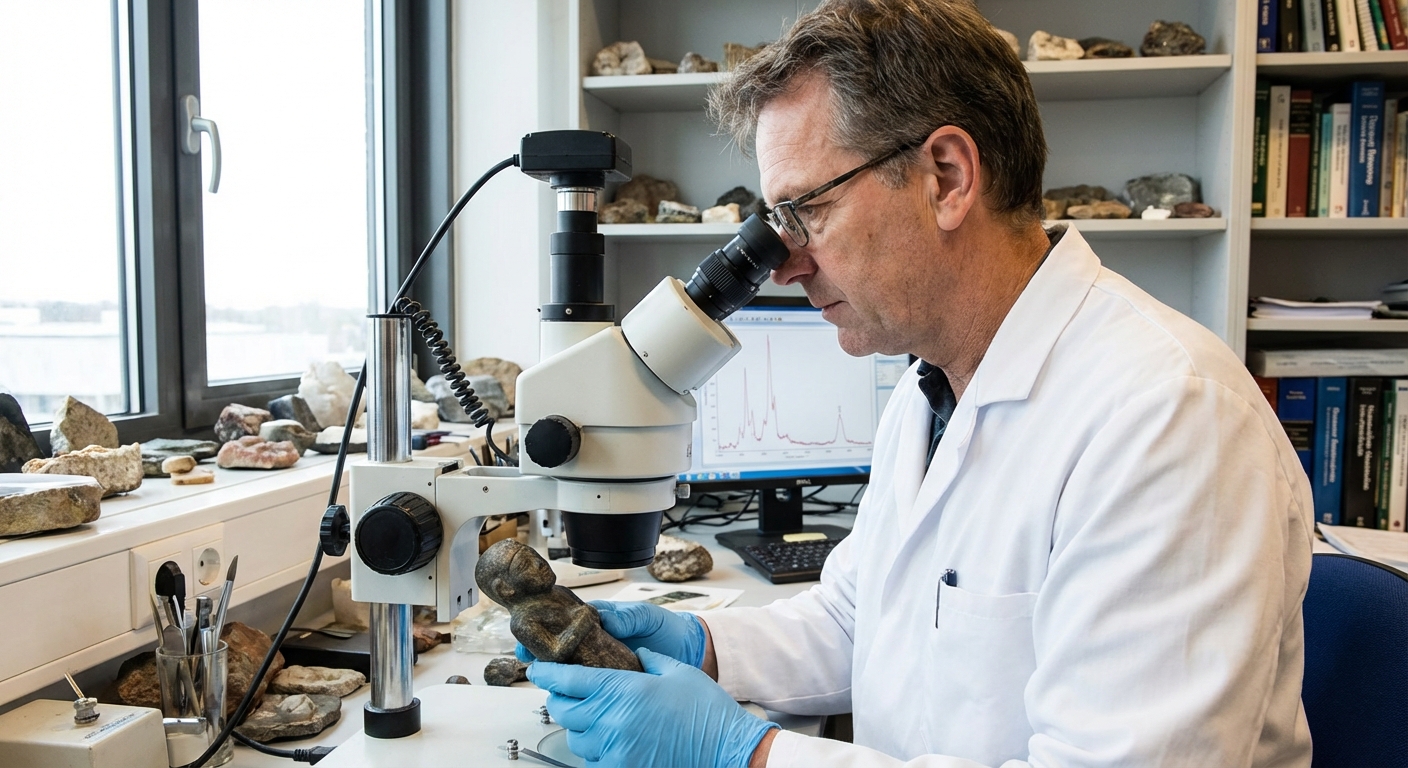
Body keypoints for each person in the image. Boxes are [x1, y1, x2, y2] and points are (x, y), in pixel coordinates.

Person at [526, 1, 1315, 765]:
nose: (786, 264)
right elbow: (855, 621)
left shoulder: (1169, 417)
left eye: (804, 212)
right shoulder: (929, 389)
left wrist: (746, 755)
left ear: (945, 176)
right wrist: (704, 646)